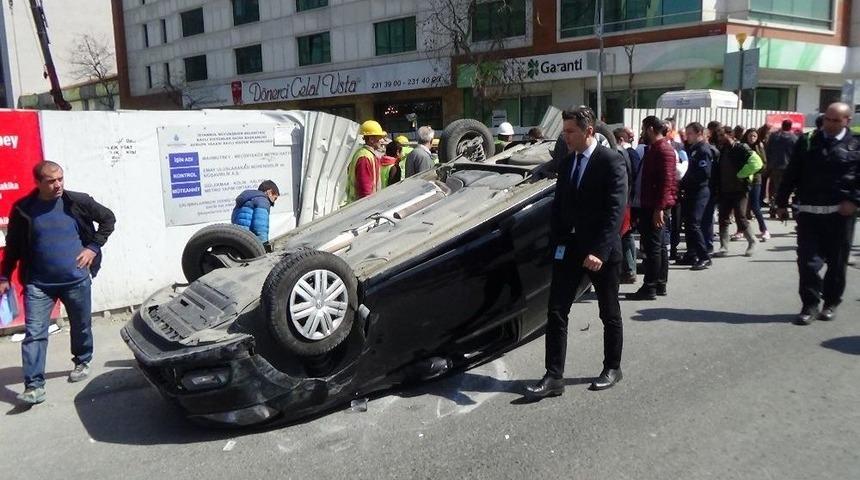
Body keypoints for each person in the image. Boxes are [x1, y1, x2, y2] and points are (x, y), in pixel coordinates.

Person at [525, 106, 627, 398]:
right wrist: (554, 242)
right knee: (556, 312)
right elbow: (559, 208)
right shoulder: (568, 164)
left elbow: (615, 211)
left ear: (589, 132)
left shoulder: (610, 161)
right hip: (568, 250)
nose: (565, 137)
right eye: (564, 131)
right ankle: (553, 376)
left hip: (600, 253)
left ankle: (612, 367)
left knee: (609, 312)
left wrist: (600, 250)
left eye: (571, 132)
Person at [0, 161, 116, 405]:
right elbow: (12, 247)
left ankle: (82, 360)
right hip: (39, 284)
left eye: (60, 179)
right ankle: (34, 386)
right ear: (38, 183)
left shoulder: (77, 202)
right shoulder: (24, 210)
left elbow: (108, 219)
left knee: (81, 325)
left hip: (76, 279)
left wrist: (93, 248)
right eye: (51, 181)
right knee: (34, 334)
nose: (58, 185)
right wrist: (4, 276)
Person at [776, 102, 860, 325]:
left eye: (835, 120)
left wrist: (854, 201)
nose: (829, 124)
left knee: (837, 263)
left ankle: (831, 302)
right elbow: (792, 172)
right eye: (827, 119)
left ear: (847, 120)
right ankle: (809, 305)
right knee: (808, 263)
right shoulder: (808, 140)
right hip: (810, 213)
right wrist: (781, 202)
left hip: (840, 216)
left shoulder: (856, 144)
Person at [627, 116, 677, 300]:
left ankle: (650, 287)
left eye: (643, 128)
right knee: (659, 246)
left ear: (649, 128)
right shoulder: (656, 149)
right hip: (652, 205)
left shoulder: (664, 150)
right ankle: (659, 284)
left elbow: (667, 183)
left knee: (653, 247)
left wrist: (659, 208)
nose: (642, 132)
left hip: (656, 207)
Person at [714, 127, 762, 257]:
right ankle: (724, 246)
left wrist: (741, 175)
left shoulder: (741, 148)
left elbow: (757, 163)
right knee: (723, 217)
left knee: (740, 216)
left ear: (730, 135)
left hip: (740, 190)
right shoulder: (723, 150)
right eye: (718, 135)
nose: (719, 138)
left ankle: (752, 241)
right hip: (725, 189)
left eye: (721, 135)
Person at [680, 122, 714, 270]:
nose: (687, 137)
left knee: (694, 223)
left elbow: (704, 173)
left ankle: (704, 256)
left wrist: (686, 180)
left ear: (699, 133)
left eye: (690, 134)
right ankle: (691, 253)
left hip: (700, 190)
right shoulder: (693, 149)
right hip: (691, 190)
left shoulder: (703, 150)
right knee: (688, 223)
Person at [614, 128, 637, 284]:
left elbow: (630, 177)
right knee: (626, 235)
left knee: (624, 235)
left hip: (625, 200)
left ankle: (629, 269)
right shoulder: (625, 153)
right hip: (627, 199)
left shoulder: (622, 153)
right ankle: (629, 269)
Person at [765, 119, 798, 218]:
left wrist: (770, 163)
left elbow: (768, 150)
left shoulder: (774, 136)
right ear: (790, 126)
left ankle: (773, 208)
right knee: (788, 189)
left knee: (776, 188)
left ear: (782, 125)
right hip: (789, 167)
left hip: (775, 166)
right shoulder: (794, 138)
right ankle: (787, 208)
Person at [347, 120, 386, 202]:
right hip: (362, 206)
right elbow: (365, 190)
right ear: (371, 139)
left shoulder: (366, 155)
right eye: (380, 138)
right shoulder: (365, 158)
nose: (382, 141)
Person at [742, 128, 770, 241]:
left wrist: (754, 170)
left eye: (754, 136)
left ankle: (764, 230)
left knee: (755, 206)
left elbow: (764, 164)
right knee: (742, 208)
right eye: (750, 136)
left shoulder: (760, 147)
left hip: (756, 180)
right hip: (743, 179)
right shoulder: (742, 147)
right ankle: (741, 230)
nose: (752, 138)